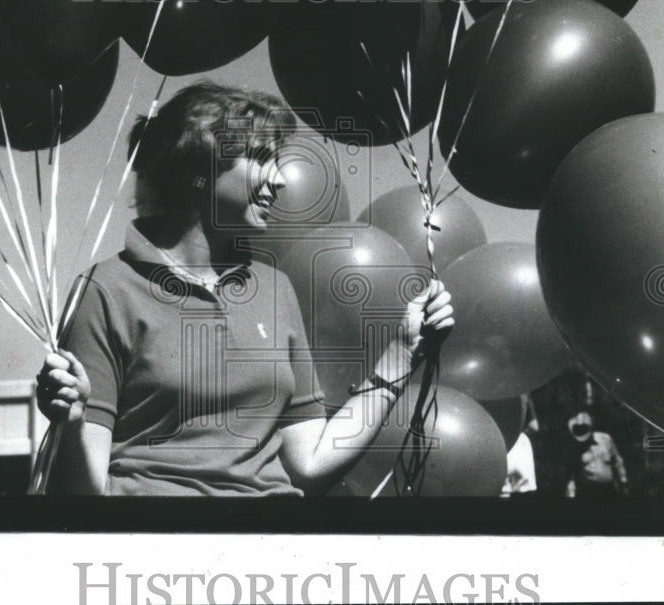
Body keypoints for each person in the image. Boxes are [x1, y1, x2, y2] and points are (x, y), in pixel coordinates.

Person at [36, 82, 454, 496]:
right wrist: (70, 425)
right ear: (197, 170)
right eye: (259, 157)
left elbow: (309, 463)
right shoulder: (105, 289)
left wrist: (401, 351)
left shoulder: (275, 289)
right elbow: (84, 495)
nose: (280, 180)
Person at [562, 411, 628, 497]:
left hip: (609, 487)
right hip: (588, 489)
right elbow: (569, 475)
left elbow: (616, 458)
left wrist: (623, 479)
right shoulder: (571, 449)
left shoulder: (605, 438)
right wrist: (571, 493)